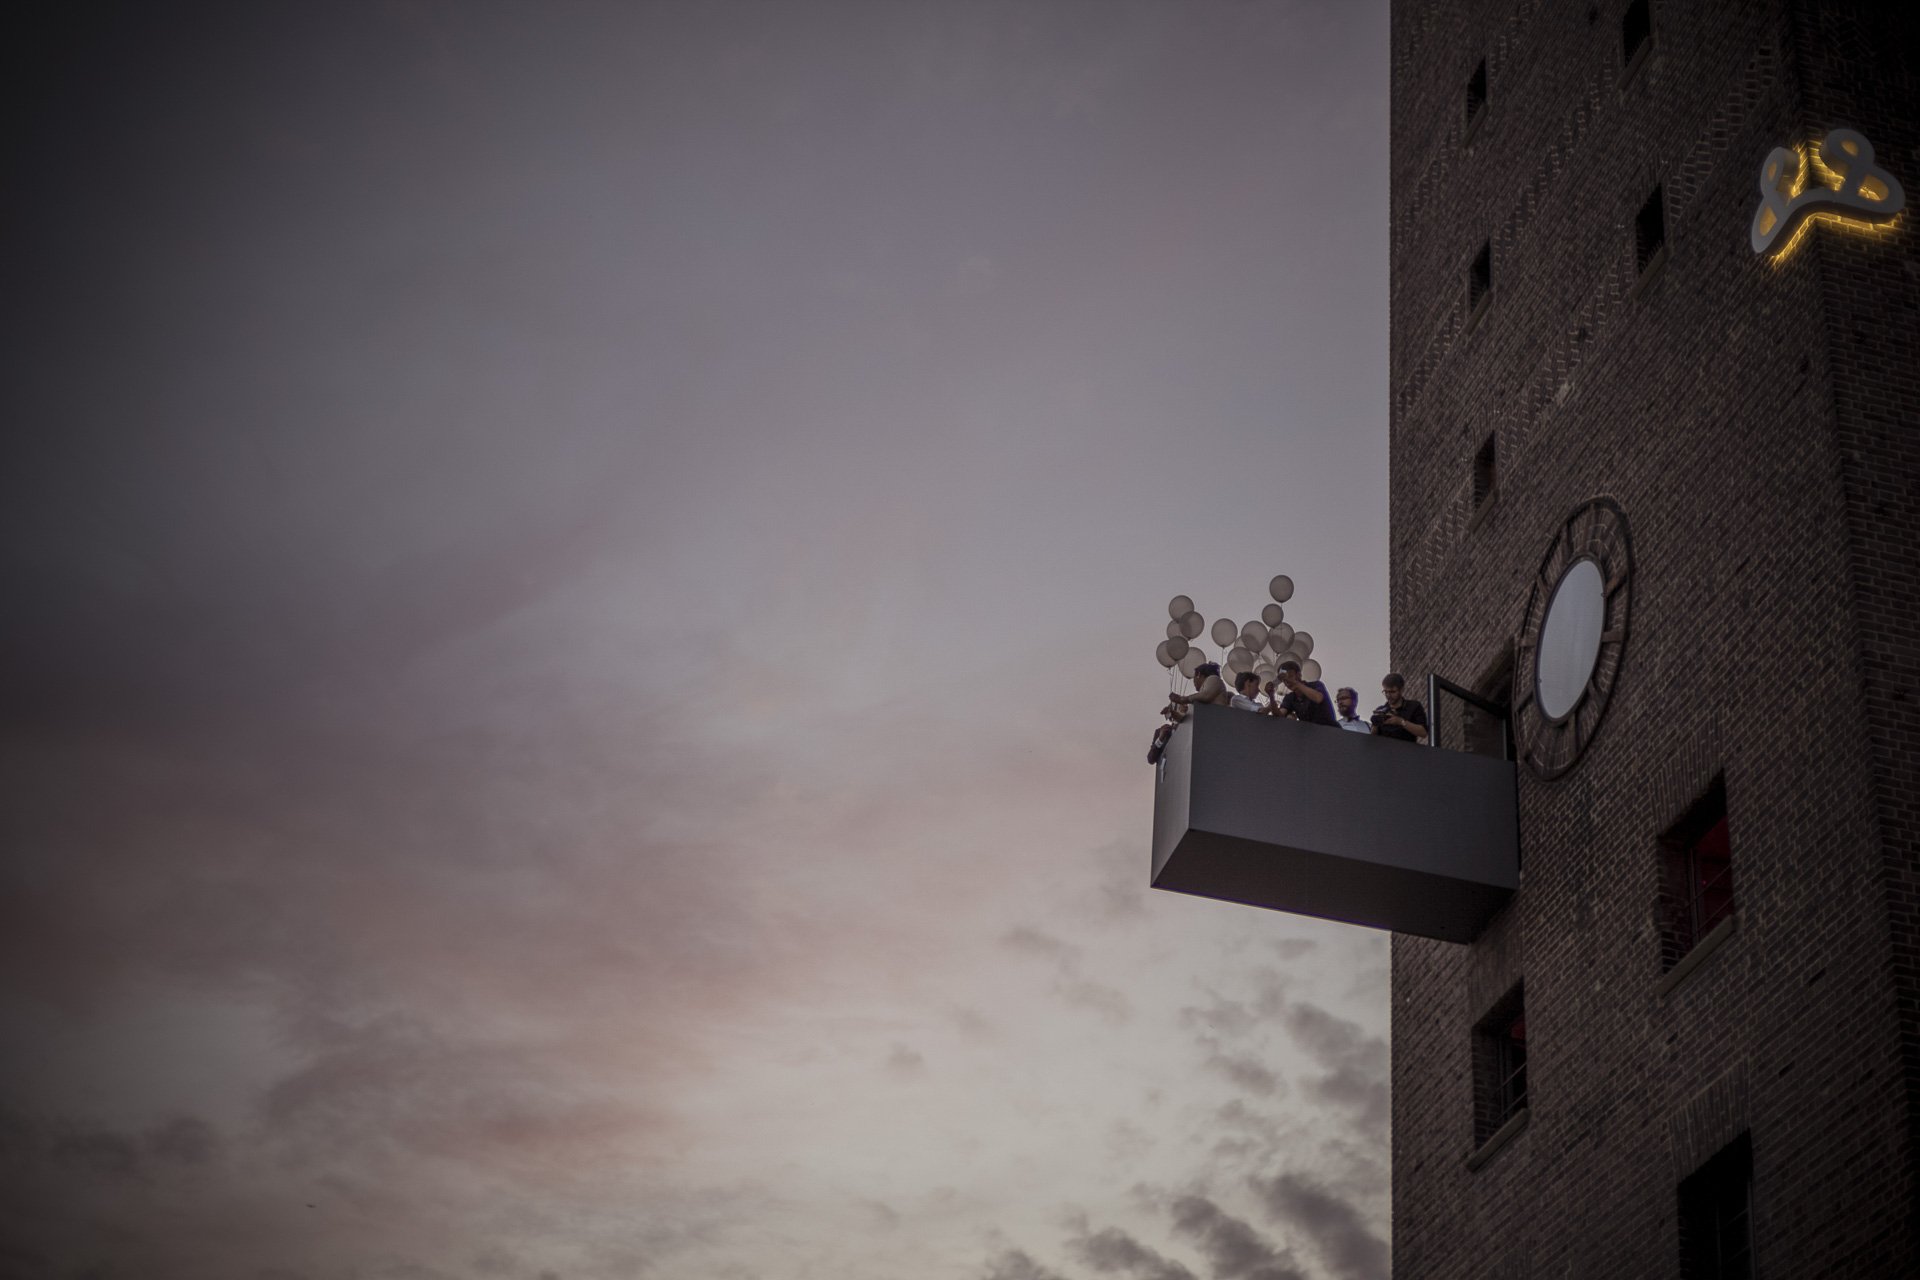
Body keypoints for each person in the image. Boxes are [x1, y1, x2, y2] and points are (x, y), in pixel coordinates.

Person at [1273, 660, 1336, 727]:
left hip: (1330, 731)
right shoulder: (1290, 697)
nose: (1287, 682)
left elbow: (1318, 698)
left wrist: (1296, 683)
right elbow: (1280, 715)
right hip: (1309, 734)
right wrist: (1271, 695)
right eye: (1284, 680)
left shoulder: (1316, 685)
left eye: (1290, 676)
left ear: (1299, 675)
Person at [1372, 672, 1430, 743]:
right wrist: (1375, 725)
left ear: (1401, 690)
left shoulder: (1414, 706)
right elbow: (1372, 739)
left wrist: (1401, 722)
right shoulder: (1380, 710)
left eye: (1392, 692)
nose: (1388, 695)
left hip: (1407, 752)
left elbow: (1423, 733)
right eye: (1385, 692)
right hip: (1384, 752)